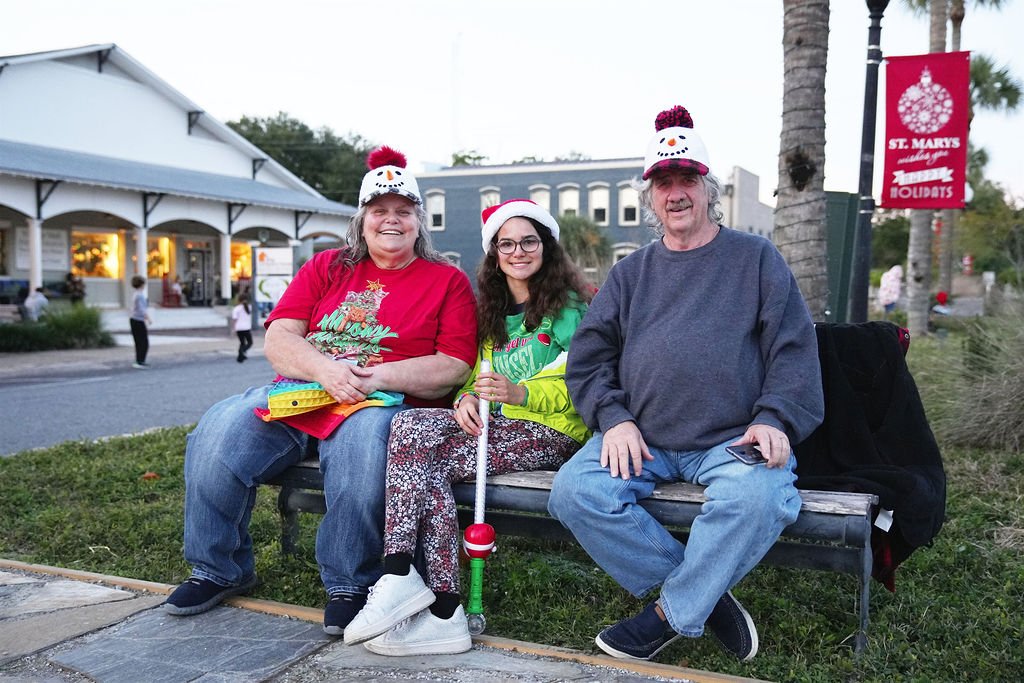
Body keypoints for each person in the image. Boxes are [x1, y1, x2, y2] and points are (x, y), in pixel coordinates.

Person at [163, 146, 478, 638]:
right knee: (218, 432)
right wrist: (328, 370)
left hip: (380, 401)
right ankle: (217, 568)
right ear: (362, 220)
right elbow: (280, 338)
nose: (390, 221)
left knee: (361, 453)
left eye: (403, 211)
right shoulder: (328, 266)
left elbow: (453, 366)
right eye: (379, 211)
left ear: (419, 221)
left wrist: (374, 377)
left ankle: (349, 584)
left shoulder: (447, 281)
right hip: (304, 390)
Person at [546, 105, 825, 663]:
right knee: (575, 493)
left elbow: (793, 348)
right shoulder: (631, 272)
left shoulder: (756, 258)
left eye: (687, 180)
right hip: (642, 437)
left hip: (730, 439)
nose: (676, 193)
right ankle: (706, 597)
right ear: (650, 197)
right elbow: (590, 357)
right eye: (664, 183)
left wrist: (774, 418)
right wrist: (614, 417)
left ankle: (667, 614)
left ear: (708, 189)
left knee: (760, 497)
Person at [343, 199, 593, 656]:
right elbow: (472, 376)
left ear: (547, 246)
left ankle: (405, 578)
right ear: (495, 254)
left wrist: (522, 394)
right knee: (417, 439)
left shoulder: (571, 309)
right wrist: (465, 399)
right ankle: (442, 606)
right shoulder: (491, 312)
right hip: (495, 429)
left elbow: (587, 385)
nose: (518, 252)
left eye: (529, 241)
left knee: (418, 442)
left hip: (551, 432)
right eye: (507, 244)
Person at [129, 275, 152, 369]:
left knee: (138, 341)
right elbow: (142, 309)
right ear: (141, 284)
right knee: (144, 342)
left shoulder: (135, 294)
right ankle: (140, 360)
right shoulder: (140, 295)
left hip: (133, 319)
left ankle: (139, 360)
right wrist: (148, 318)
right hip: (138, 320)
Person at [231, 292, 254, 362]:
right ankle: (242, 352)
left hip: (238, 328)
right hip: (246, 328)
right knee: (250, 342)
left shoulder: (236, 308)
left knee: (242, 343)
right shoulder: (249, 307)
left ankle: (240, 357)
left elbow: (234, 320)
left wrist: (233, 329)